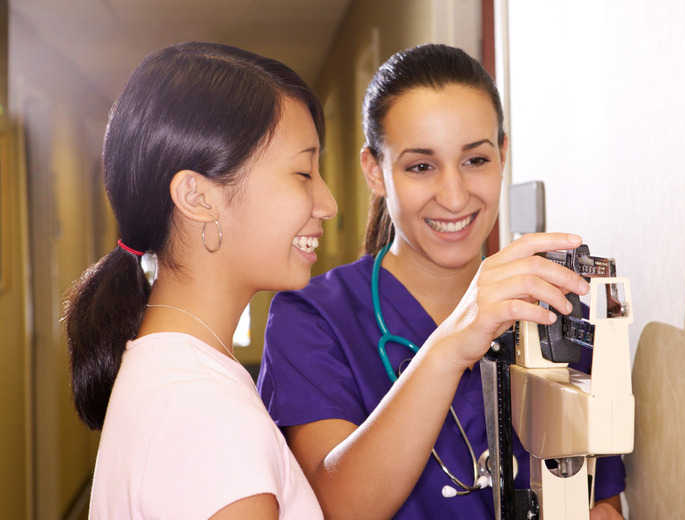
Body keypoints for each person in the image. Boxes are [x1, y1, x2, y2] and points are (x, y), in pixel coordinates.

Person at [258, 43, 625, 519]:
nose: (454, 197)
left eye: (475, 160)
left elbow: (600, 501)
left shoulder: (553, 307)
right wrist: (451, 345)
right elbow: (335, 507)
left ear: (503, 155)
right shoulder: (313, 318)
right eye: (421, 167)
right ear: (375, 171)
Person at [62, 42, 337, 519]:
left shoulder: (173, 375)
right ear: (198, 196)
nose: (328, 203)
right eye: (303, 172)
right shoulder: (205, 414)